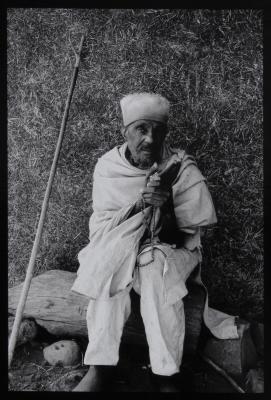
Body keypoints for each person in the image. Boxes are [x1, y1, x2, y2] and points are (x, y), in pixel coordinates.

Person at [71, 93, 239, 392]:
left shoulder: (181, 168)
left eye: (158, 130)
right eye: (141, 129)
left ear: (165, 133)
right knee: (110, 259)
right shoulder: (109, 167)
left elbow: (182, 239)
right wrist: (139, 205)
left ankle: (165, 373)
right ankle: (101, 366)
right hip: (121, 246)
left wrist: (166, 204)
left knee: (153, 266)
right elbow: (102, 232)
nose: (150, 138)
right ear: (125, 132)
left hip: (171, 251)